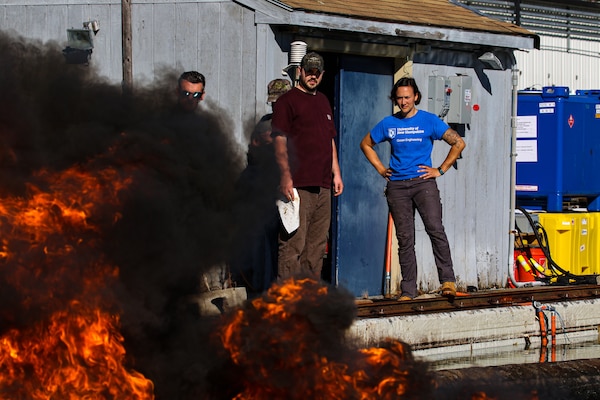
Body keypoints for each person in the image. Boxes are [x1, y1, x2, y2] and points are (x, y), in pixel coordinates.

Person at [360, 77, 466, 300]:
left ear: (415, 96)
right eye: (399, 98)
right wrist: (380, 168)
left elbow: (458, 143)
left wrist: (440, 169)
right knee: (405, 238)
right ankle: (408, 290)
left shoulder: (429, 121)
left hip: (423, 184)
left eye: (407, 97)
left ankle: (448, 281)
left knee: (435, 229)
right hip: (397, 187)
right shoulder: (388, 123)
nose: (403, 102)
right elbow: (366, 144)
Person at [271, 52, 344, 281]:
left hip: (323, 185)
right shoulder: (287, 101)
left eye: (317, 72)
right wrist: (285, 176)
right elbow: (279, 140)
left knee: (317, 246)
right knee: (294, 243)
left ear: (322, 74)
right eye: (308, 71)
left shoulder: (323, 101)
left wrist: (337, 173)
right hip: (298, 184)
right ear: (300, 71)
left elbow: (329, 139)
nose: (312, 76)